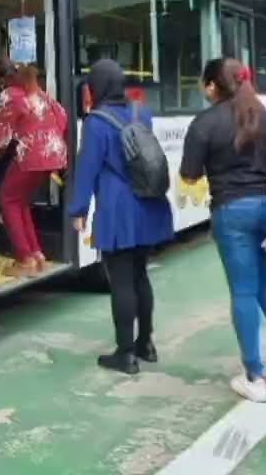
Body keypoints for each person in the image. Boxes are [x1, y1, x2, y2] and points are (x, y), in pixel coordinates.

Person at [179, 58, 266, 403]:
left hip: (232, 211)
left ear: (211, 86)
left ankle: (254, 376)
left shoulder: (205, 122)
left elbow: (189, 174)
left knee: (243, 290)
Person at [69, 59, 175, 375]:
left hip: (118, 209)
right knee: (141, 274)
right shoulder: (142, 112)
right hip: (148, 204)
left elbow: (87, 169)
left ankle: (125, 353)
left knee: (122, 281)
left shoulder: (96, 122)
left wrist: (78, 211)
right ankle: (146, 344)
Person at [0, 64, 68, 277]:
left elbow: (1, 136)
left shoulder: (10, 95)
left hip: (31, 155)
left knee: (7, 200)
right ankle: (37, 255)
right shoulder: (40, 93)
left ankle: (25, 259)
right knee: (21, 202)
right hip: (54, 154)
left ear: (4, 79)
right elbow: (62, 117)